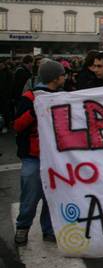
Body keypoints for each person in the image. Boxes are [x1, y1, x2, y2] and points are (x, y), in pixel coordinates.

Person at [14, 59, 66, 245]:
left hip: (55, 157)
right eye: (62, 75)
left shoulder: (62, 96)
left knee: (51, 197)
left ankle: (49, 229)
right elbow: (18, 125)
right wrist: (34, 111)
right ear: (55, 78)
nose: (65, 77)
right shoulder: (30, 98)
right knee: (30, 195)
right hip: (33, 157)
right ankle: (22, 227)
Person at [0, 58, 13, 133]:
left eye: (1, 64)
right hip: (3, 95)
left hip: (5, 96)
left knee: (5, 111)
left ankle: (6, 126)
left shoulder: (8, 73)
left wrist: (9, 95)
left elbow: (10, 86)